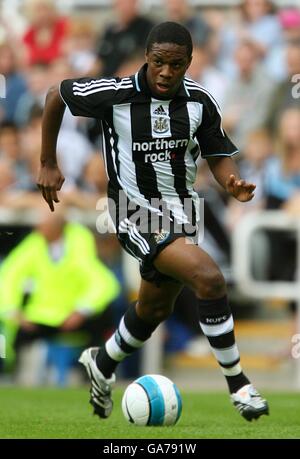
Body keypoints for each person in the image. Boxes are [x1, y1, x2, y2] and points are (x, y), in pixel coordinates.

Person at [37, 22, 269, 421]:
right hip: (133, 211)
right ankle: (239, 383)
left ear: (188, 63)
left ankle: (103, 364)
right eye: (158, 62)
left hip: (183, 212)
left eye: (175, 65)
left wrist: (230, 181)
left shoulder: (199, 102)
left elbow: (217, 153)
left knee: (153, 310)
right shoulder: (114, 93)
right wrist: (47, 162)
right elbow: (55, 94)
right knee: (210, 278)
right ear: (147, 57)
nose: (165, 72)